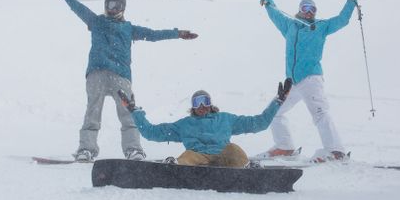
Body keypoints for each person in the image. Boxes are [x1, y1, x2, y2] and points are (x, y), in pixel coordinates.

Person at [44, 0, 198, 162]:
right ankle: (86, 149)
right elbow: (75, 6)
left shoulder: (129, 29)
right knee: (92, 113)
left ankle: (133, 150)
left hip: (121, 77)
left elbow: (154, 34)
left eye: (116, 5)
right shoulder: (96, 21)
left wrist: (178, 34)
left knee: (128, 114)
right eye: (109, 5)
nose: (112, 8)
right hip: (97, 74)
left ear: (122, 8)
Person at [253, 0, 368, 161]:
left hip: (311, 78)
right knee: (274, 112)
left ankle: (335, 151)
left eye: (313, 9)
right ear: (300, 8)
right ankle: (284, 147)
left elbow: (342, 20)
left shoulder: (320, 27)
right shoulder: (289, 26)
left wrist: (352, 0)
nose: (309, 12)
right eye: (306, 8)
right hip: (292, 81)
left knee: (320, 113)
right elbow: (273, 11)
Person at [118, 79, 292, 168]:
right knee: (188, 155)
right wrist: (135, 111)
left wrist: (278, 101)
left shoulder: (225, 119)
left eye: (204, 101)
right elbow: (151, 133)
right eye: (197, 102)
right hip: (198, 158)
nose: (201, 106)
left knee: (235, 150)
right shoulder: (185, 124)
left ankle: (246, 168)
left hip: (224, 156)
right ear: (192, 107)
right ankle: (176, 169)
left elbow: (259, 123)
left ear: (210, 103)